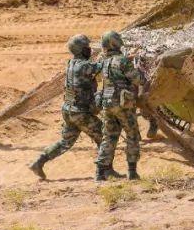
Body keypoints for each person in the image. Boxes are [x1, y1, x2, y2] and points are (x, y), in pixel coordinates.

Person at [28, 34, 110, 180]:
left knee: (65, 142)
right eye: (87, 47)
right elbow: (103, 66)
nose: (89, 49)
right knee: (104, 137)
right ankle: (104, 172)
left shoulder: (71, 63)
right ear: (80, 50)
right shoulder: (84, 66)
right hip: (80, 112)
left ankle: (39, 162)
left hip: (68, 110)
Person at [96, 30, 144, 182]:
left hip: (107, 103)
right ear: (116, 44)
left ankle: (100, 173)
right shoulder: (122, 61)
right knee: (132, 134)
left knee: (109, 137)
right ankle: (132, 172)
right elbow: (138, 80)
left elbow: (100, 78)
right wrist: (138, 70)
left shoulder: (103, 62)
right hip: (123, 104)